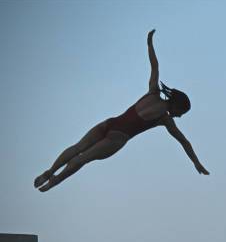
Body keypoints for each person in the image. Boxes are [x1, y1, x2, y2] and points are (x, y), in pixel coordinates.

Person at [34, 29, 209, 192]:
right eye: (181, 113)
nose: (178, 117)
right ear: (177, 105)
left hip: (110, 123)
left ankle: (49, 172)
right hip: (115, 139)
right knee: (81, 158)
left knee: (78, 148)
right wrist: (197, 163)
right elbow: (184, 142)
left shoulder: (153, 91)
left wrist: (149, 43)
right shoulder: (164, 119)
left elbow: (155, 66)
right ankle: (53, 181)